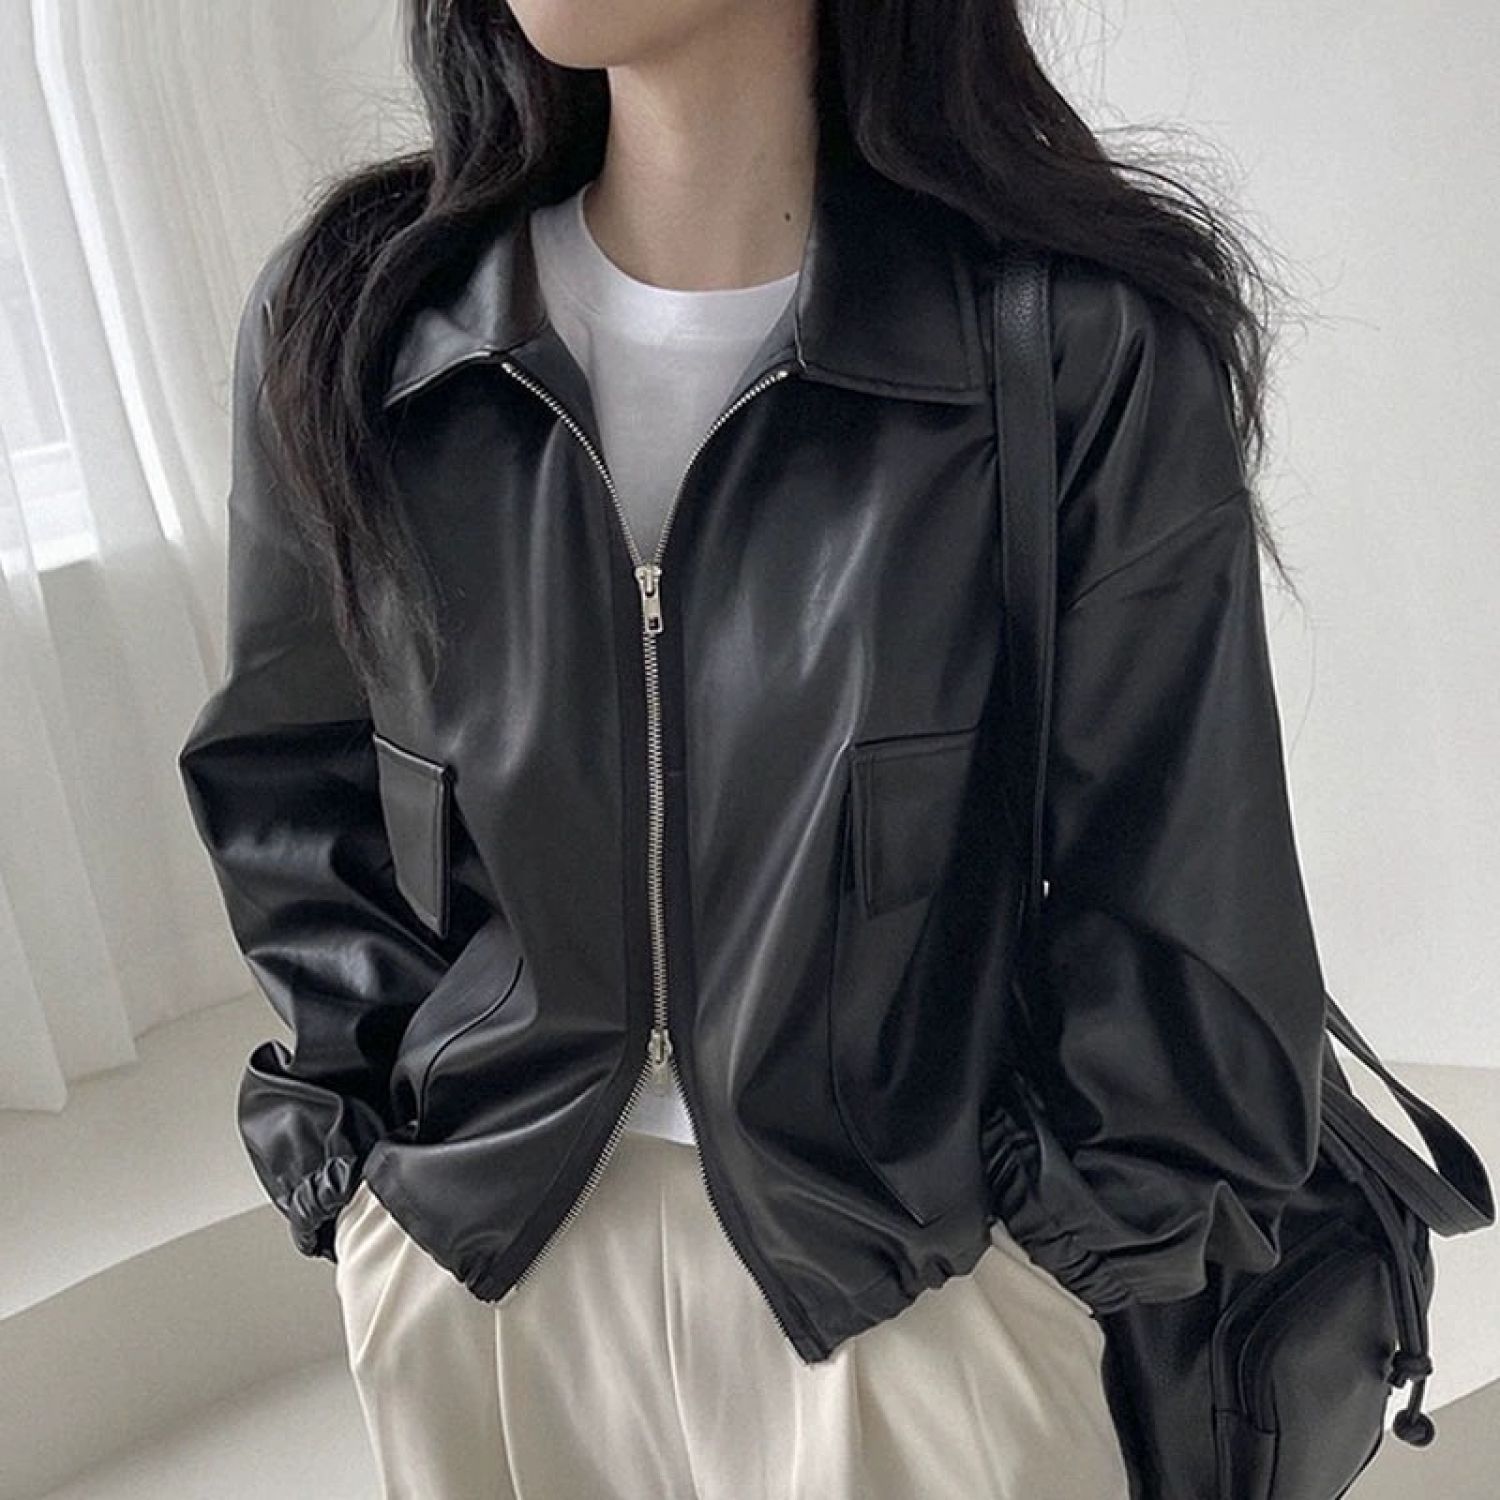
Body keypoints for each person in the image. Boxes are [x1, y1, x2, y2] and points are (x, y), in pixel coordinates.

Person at [178, 1, 1331, 1497]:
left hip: (913, 1295)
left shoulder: (1068, 342)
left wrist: (1051, 1262)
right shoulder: (364, 313)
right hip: (484, 1270)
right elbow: (291, 785)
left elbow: (1181, 886)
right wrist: (373, 1178)